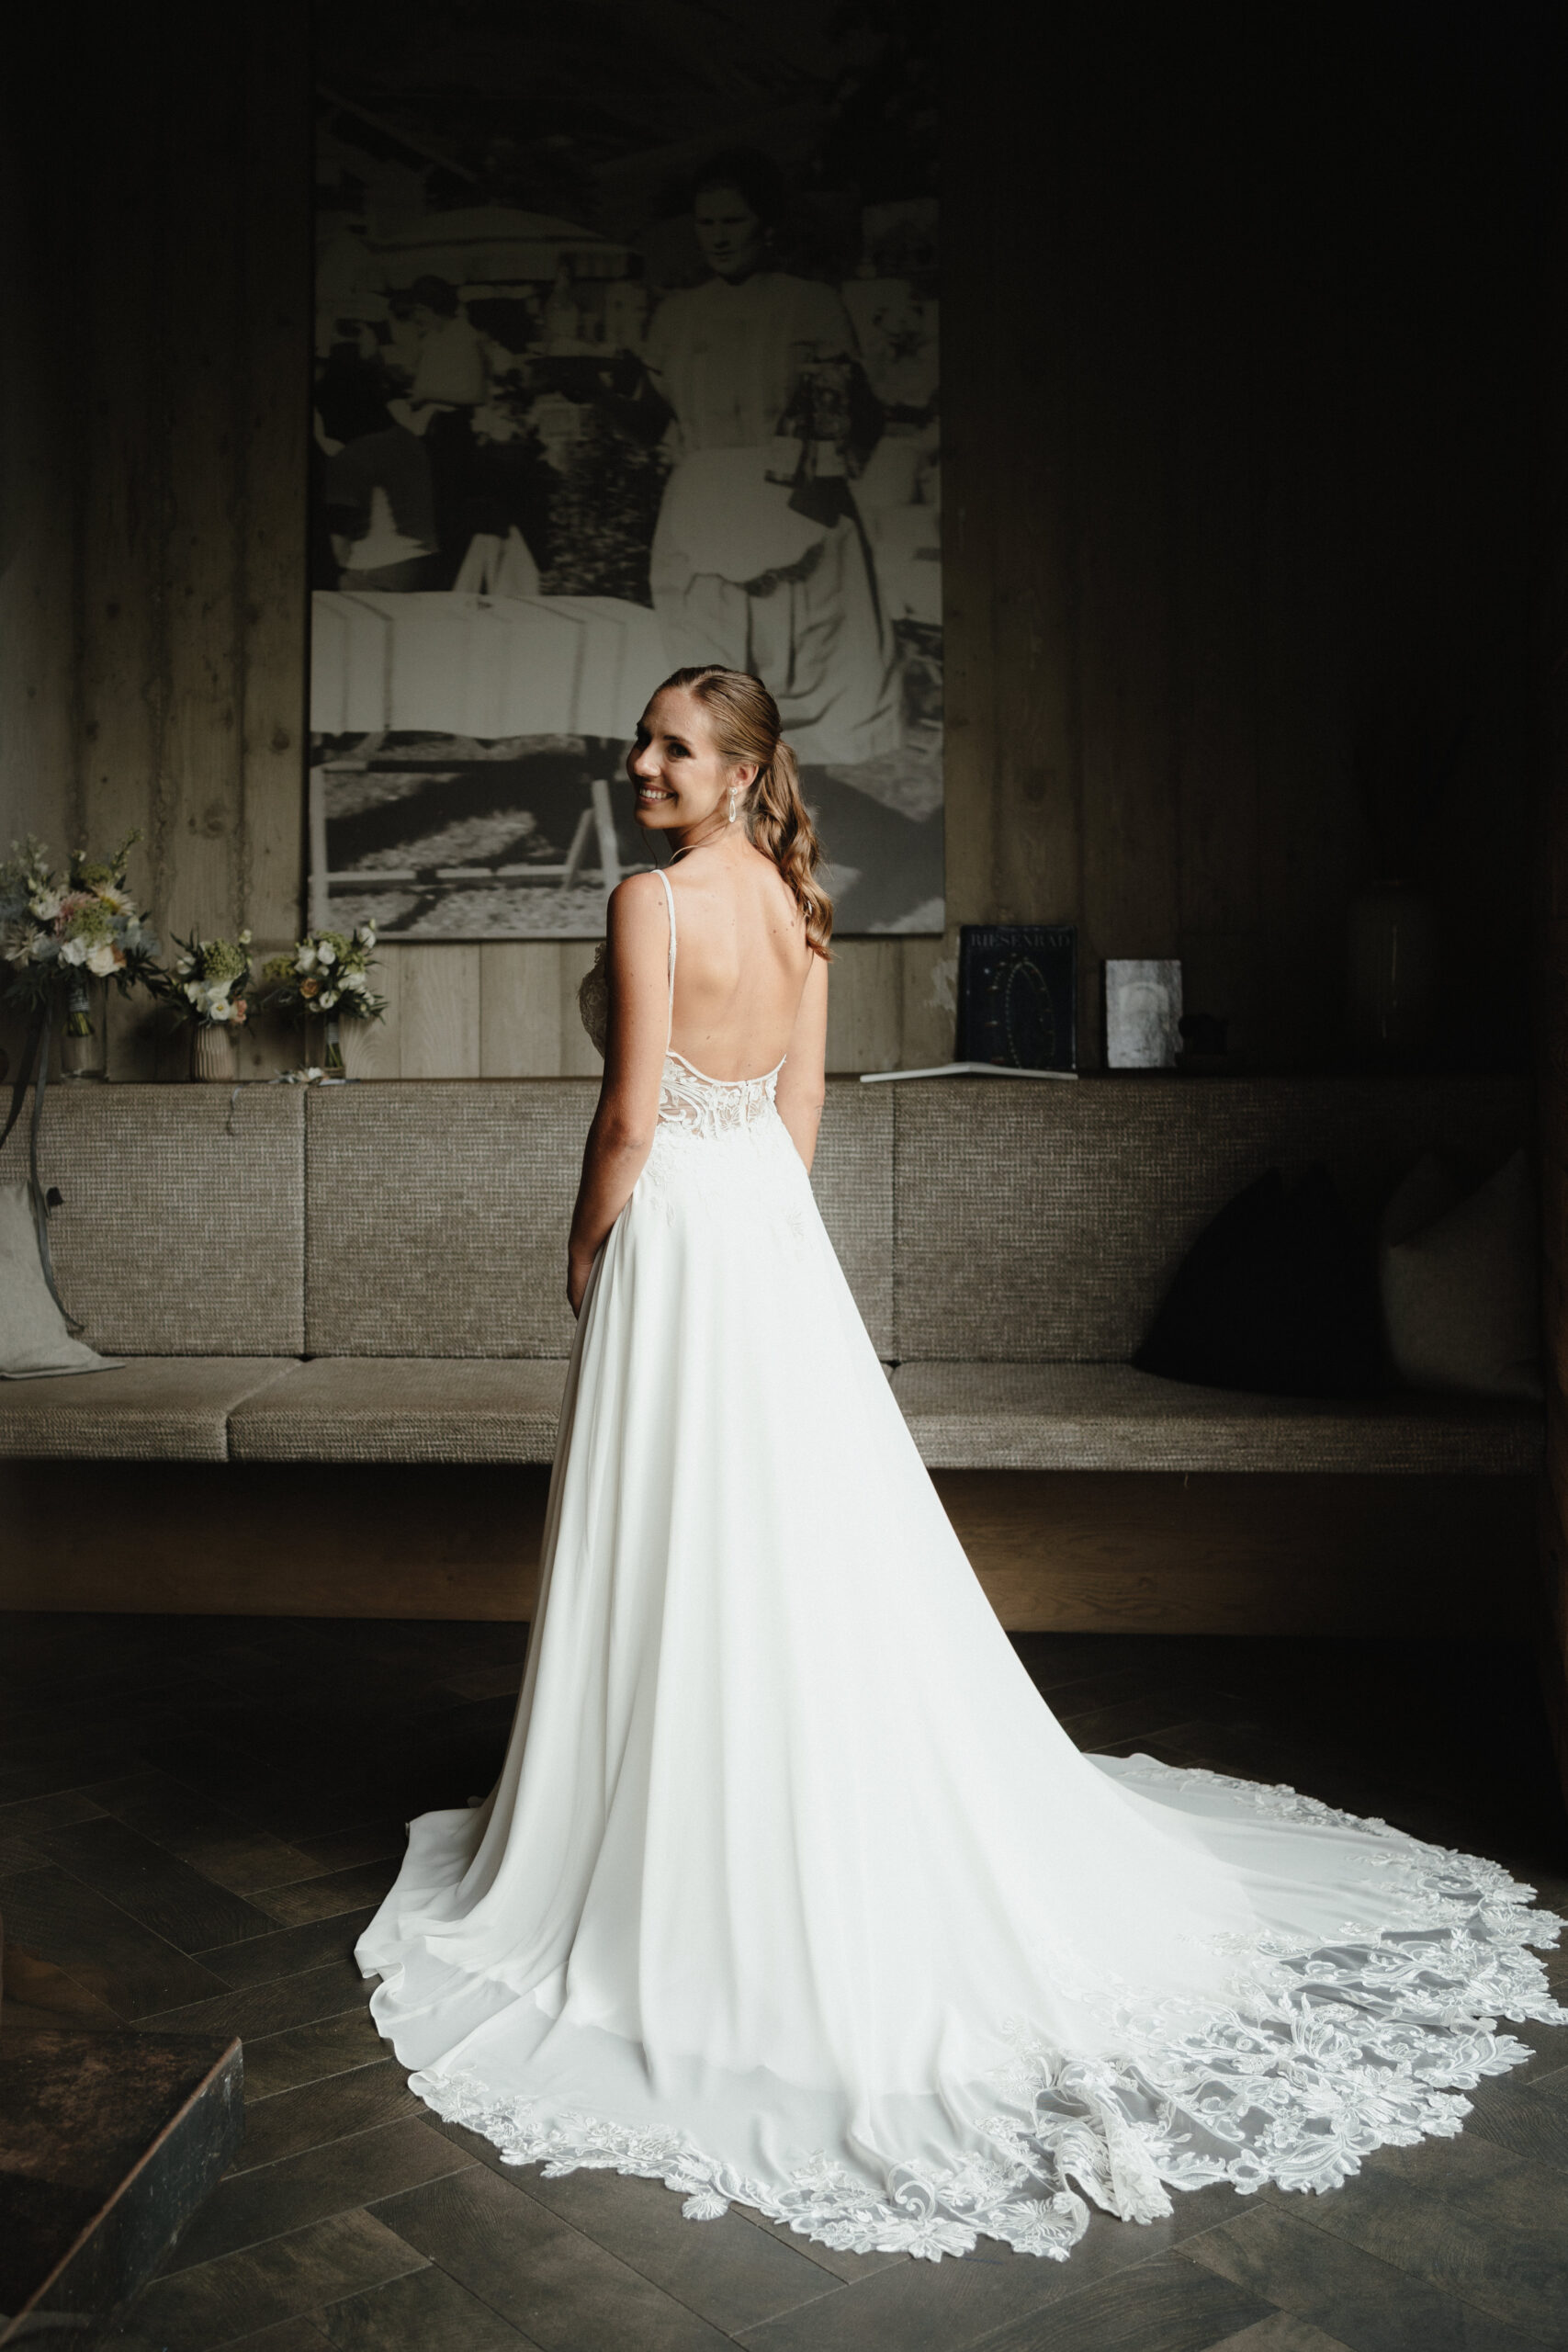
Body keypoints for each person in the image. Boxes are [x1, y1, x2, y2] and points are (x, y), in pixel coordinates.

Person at [357, 665, 1565, 2262]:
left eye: (672, 746)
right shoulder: (804, 909)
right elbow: (796, 1108)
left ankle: (678, 1804)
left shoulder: (649, 904)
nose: (639, 760)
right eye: (641, 739)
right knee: (786, 1538)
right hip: (767, 1236)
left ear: (739, 772)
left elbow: (630, 1116)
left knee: (679, 1529)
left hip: (679, 1235)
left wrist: (589, 1250)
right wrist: (769, 1243)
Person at [639, 154, 899, 767]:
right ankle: (721, 806)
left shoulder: (811, 303)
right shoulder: (675, 313)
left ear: (768, 224)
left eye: (733, 220)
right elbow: (653, 419)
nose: (719, 236)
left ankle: (794, 807)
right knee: (708, 670)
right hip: (703, 503)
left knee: (803, 653)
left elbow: (855, 413)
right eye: (706, 222)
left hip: (794, 498)